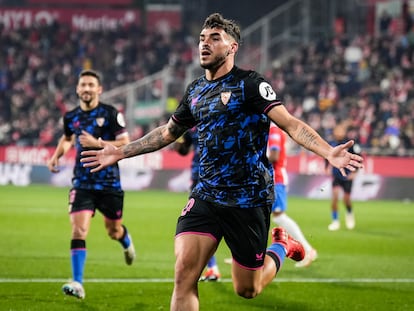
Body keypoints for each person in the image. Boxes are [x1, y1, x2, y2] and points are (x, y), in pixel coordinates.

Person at [81, 13, 363, 311]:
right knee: (183, 275)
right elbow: (167, 133)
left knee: (247, 289)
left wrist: (328, 151)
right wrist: (119, 151)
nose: (205, 44)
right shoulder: (195, 91)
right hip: (206, 195)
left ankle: (282, 246)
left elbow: (291, 124)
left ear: (232, 47)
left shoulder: (250, 84)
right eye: (202, 39)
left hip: (248, 198)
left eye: (214, 38)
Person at [47, 69, 136, 299]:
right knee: (79, 229)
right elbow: (67, 138)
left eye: (90, 85)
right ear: (77, 89)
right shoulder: (71, 117)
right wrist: (57, 154)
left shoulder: (110, 113)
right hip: (82, 183)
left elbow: (125, 142)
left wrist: (97, 142)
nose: (86, 89)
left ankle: (125, 240)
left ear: (99, 89)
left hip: (109, 183)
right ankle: (77, 282)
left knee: (113, 231)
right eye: (83, 85)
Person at [173, 127, 221, 281]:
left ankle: (243, 258)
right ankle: (212, 268)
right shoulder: (192, 123)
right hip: (198, 177)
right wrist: (178, 138)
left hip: (221, 176)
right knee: (201, 223)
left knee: (226, 219)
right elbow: (183, 150)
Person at [268, 122, 318, 267]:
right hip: (269, 179)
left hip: (275, 179)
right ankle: (243, 257)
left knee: (279, 217)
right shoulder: (270, 129)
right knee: (253, 215)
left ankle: (308, 250)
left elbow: (274, 155)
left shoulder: (274, 130)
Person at [326, 125, 359, 231]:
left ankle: (349, 214)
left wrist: (355, 173)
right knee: (335, 197)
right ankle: (335, 221)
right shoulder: (331, 144)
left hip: (347, 176)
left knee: (346, 199)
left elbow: (358, 158)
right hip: (336, 175)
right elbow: (326, 156)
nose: (339, 132)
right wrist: (326, 167)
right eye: (337, 130)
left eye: (341, 130)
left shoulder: (350, 144)